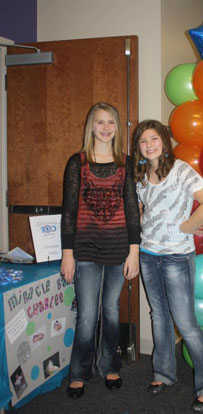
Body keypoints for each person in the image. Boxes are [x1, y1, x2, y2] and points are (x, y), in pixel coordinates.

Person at [131, 120, 203, 412]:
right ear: (138, 148)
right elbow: (145, 209)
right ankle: (163, 373)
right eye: (143, 141)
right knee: (159, 316)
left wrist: (186, 226)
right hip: (148, 253)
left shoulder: (181, 170)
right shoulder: (141, 175)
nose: (149, 145)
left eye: (154, 138)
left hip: (176, 257)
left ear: (164, 141)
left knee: (185, 323)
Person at [61, 102, 140, 399]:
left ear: (117, 127)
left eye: (111, 122)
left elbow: (132, 210)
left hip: (119, 248)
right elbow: (68, 212)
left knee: (110, 310)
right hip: (85, 250)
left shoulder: (125, 163)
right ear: (90, 127)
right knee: (87, 314)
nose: (105, 128)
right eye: (99, 122)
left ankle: (109, 365)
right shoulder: (76, 162)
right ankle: (79, 372)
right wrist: (67, 254)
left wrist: (134, 252)